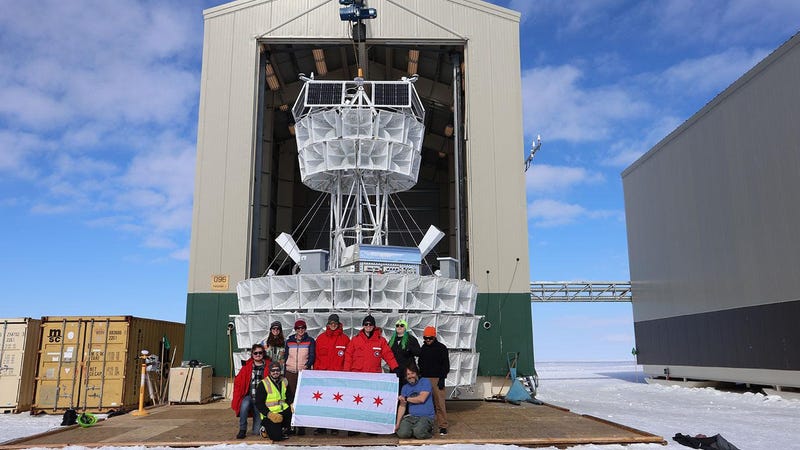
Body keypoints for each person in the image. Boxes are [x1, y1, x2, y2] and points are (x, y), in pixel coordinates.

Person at [343, 314, 400, 436]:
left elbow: (388, 355)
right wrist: (346, 373)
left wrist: (395, 367)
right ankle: (354, 427)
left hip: (374, 377)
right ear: (363, 326)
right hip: (357, 376)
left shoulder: (380, 341)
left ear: (374, 326)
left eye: (370, 324)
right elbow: (348, 356)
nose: (368, 326)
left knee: (371, 403)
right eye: (366, 324)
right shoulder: (355, 340)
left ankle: (371, 428)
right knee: (356, 402)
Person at [312, 313, 350, 436]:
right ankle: (321, 427)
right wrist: (316, 374)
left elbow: (347, 359)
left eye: (335, 323)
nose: (333, 325)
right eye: (331, 323)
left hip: (338, 377)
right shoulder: (321, 338)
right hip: (323, 376)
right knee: (322, 402)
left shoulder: (345, 339)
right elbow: (317, 358)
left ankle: (334, 426)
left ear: (338, 324)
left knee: (335, 402)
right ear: (328, 324)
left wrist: (345, 374)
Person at [284, 319, 315, 435]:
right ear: (295, 329)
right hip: (290, 372)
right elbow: (286, 356)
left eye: (302, 328)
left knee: (301, 399)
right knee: (290, 398)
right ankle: (290, 424)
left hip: (303, 373)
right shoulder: (289, 341)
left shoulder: (310, 341)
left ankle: (301, 425)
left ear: (305, 329)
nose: (300, 330)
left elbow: (312, 355)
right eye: (298, 328)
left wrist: (306, 366)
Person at [417, 326, 450, 435]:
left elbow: (446, 365)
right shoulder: (423, 349)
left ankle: (443, 425)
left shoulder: (442, 348)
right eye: (425, 338)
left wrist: (442, 378)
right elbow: (420, 363)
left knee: (439, 404)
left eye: (430, 338)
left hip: (437, 379)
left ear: (434, 337)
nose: (427, 340)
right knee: (426, 403)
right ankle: (427, 425)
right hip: (425, 378)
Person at [231, 343, 267, 439]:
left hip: (261, 400)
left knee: (256, 432)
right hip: (250, 396)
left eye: (260, 352)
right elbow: (238, 381)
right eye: (255, 353)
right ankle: (242, 429)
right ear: (252, 354)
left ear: (263, 353)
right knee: (244, 404)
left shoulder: (268, 367)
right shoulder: (247, 367)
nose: (258, 355)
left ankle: (259, 425)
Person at [254, 361, 293, 442]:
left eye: (277, 370)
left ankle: (284, 427)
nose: (275, 372)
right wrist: (269, 414)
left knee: (290, 431)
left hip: (284, 411)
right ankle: (265, 428)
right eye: (273, 370)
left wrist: (292, 404)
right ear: (270, 371)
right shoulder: (263, 384)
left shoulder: (284, 381)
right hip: (271, 414)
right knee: (276, 437)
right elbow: (259, 403)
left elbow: (289, 396)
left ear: (280, 371)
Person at [395, 362, 435, 439]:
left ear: (417, 373)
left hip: (426, 417)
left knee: (419, 433)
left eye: (412, 373)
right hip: (412, 417)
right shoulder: (405, 387)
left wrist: (406, 398)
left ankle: (426, 430)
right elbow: (402, 406)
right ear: (405, 377)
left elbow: (421, 399)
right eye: (408, 374)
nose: (410, 376)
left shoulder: (425, 381)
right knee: (402, 434)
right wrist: (398, 423)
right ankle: (415, 429)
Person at [388, 319, 420, 391]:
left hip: (407, 371)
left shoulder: (411, 339)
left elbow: (418, 352)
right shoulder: (392, 340)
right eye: (397, 326)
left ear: (405, 327)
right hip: (395, 370)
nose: (399, 327)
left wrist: (410, 349)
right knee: (396, 390)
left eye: (402, 325)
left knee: (407, 390)